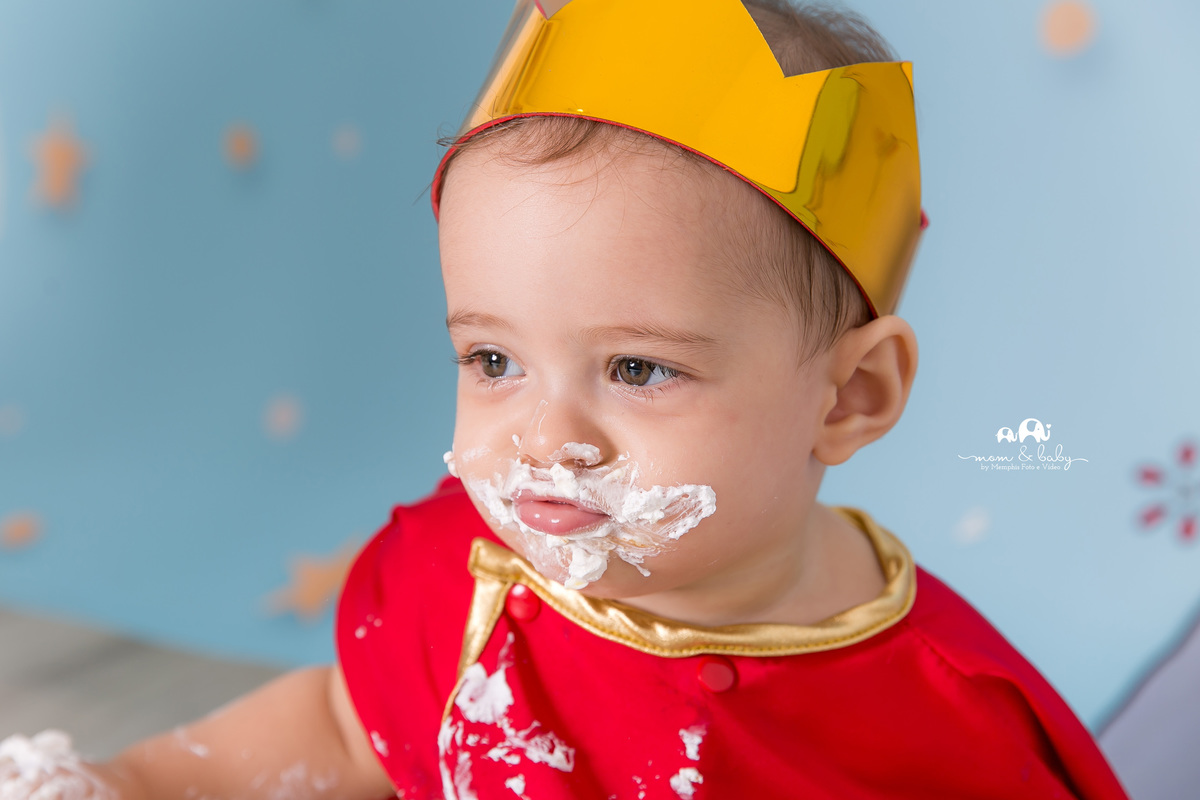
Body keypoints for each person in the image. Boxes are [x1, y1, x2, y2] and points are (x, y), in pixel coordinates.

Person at [0, 0, 1131, 797]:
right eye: (492, 360)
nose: (542, 438)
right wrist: (132, 777)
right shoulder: (469, 573)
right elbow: (351, 727)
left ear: (850, 396)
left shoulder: (941, 722)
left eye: (637, 368)